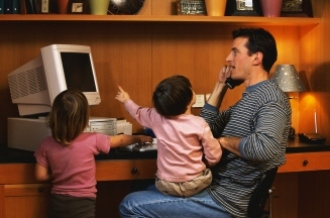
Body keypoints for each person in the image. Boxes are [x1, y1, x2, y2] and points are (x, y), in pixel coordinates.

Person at [118, 28, 291, 218]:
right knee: (137, 185)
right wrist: (221, 86)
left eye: (235, 52)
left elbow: (265, 147)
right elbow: (205, 125)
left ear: (256, 58)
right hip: (212, 187)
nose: (228, 58)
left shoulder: (271, 99)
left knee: (130, 205)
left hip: (226, 201)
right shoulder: (249, 98)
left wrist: (223, 142)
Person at [34, 89, 153, 218]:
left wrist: (59, 172)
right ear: (84, 118)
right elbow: (120, 140)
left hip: (58, 203)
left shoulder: (46, 144)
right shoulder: (93, 139)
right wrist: (138, 138)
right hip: (83, 203)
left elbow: (40, 176)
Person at [115, 75, 222, 197]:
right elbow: (214, 155)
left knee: (137, 185)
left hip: (166, 185)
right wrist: (207, 162)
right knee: (208, 175)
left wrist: (126, 100)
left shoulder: (156, 117)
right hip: (195, 184)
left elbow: (138, 112)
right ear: (190, 98)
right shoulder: (199, 124)